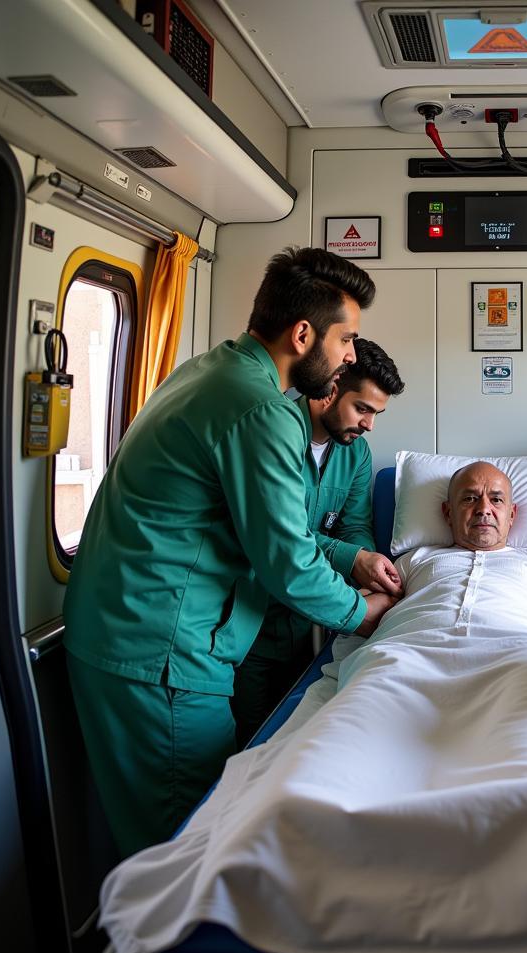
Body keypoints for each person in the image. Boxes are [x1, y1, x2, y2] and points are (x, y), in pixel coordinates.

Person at [97, 460, 527, 953]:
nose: (482, 509)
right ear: (444, 513)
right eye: (468, 498)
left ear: (515, 514)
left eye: (494, 499)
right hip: (403, 661)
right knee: (316, 767)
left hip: (524, 665)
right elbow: (360, 611)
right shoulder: (408, 562)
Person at [64, 246, 398, 856]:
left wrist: (350, 562)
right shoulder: (263, 410)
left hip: (123, 632)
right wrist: (363, 613)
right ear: (304, 334)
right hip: (163, 653)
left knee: (158, 838)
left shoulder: (208, 371)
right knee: (186, 850)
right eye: (347, 339)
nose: (350, 355)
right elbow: (288, 561)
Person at [232, 337, 405, 746]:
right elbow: (284, 534)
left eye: (376, 413)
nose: (368, 425)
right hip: (250, 615)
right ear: (331, 388)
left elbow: (354, 525)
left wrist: (362, 563)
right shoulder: (276, 432)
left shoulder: (355, 453)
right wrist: (352, 558)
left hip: (306, 615)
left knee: (291, 734)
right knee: (251, 739)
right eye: (362, 409)